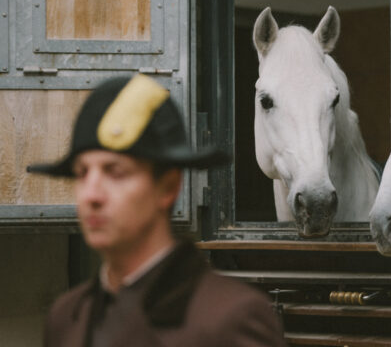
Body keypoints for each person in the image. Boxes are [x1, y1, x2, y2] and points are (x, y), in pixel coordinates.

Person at [28, 74, 287, 347]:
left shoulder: (231, 319)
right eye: (81, 173)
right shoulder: (67, 316)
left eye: (115, 172)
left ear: (168, 187)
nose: (91, 195)